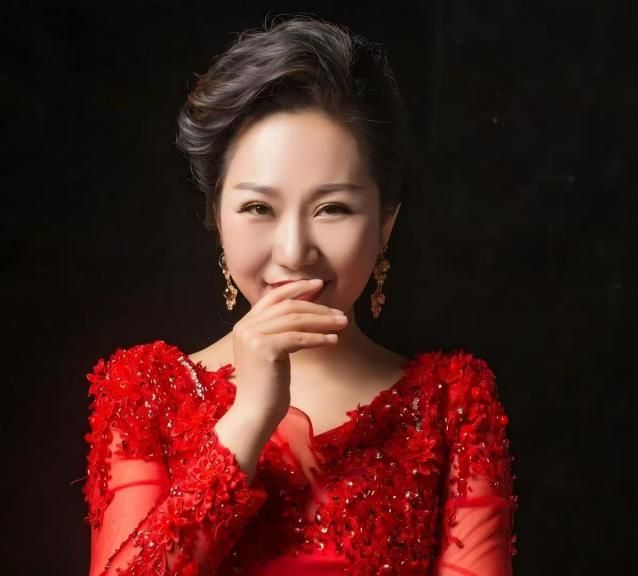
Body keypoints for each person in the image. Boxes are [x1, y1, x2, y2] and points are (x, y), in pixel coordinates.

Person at [81, 15, 517, 576]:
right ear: (217, 218)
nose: (294, 252)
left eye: (332, 208)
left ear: (386, 223)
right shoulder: (144, 392)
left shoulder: (451, 401)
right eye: (258, 208)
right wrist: (248, 420)